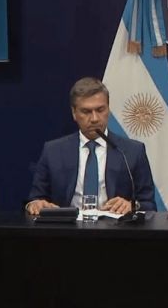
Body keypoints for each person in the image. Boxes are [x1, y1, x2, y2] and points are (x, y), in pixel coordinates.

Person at [26, 77, 155, 215]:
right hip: (67, 226)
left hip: (116, 226)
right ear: (74, 113)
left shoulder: (132, 151)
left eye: (100, 110)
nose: (94, 119)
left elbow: (149, 205)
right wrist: (36, 204)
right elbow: (35, 199)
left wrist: (132, 206)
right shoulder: (53, 151)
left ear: (108, 109)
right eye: (86, 112)